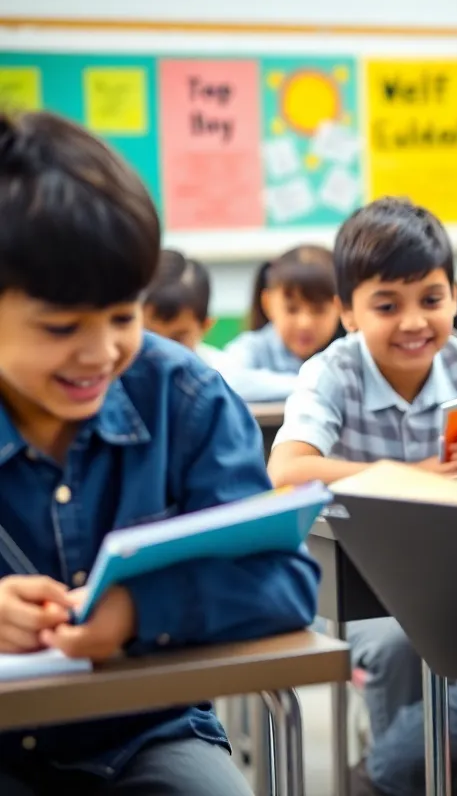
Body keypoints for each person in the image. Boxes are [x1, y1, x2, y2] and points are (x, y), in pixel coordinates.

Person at [0, 110, 318, 795]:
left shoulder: (185, 397)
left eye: (123, 316)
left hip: (144, 733)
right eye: (61, 327)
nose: (101, 353)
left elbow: (286, 583)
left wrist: (141, 612)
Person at [265, 196, 457, 796]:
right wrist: (413, 473)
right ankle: (395, 781)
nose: (414, 322)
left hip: (454, 573)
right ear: (347, 312)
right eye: (387, 305)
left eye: (431, 299)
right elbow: (287, 469)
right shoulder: (331, 372)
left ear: (455, 297)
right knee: (402, 644)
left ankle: (411, 772)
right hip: (354, 580)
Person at [142, 250, 297, 401]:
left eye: (177, 338)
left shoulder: (217, 372)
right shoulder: (127, 373)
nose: (162, 349)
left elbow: (237, 382)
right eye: (149, 335)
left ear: (205, 326)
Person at [224, 244, 342, 379]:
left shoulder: (348, 353)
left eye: (318, 310)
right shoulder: (252, 349)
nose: (305, 323)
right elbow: (230, 378)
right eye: (292, 309)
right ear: (267, 304)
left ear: (341, 308)